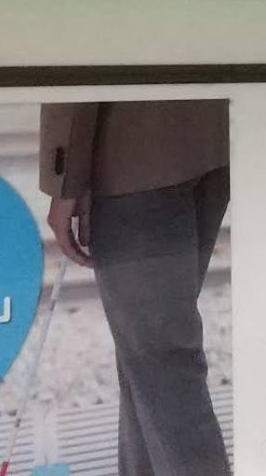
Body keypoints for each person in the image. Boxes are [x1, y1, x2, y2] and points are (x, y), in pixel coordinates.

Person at [39, 99, 231, 476]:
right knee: (149, 361)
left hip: (131, 156)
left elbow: (76, 70)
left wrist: (66, 179)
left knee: (162, 363)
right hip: (210, 143)